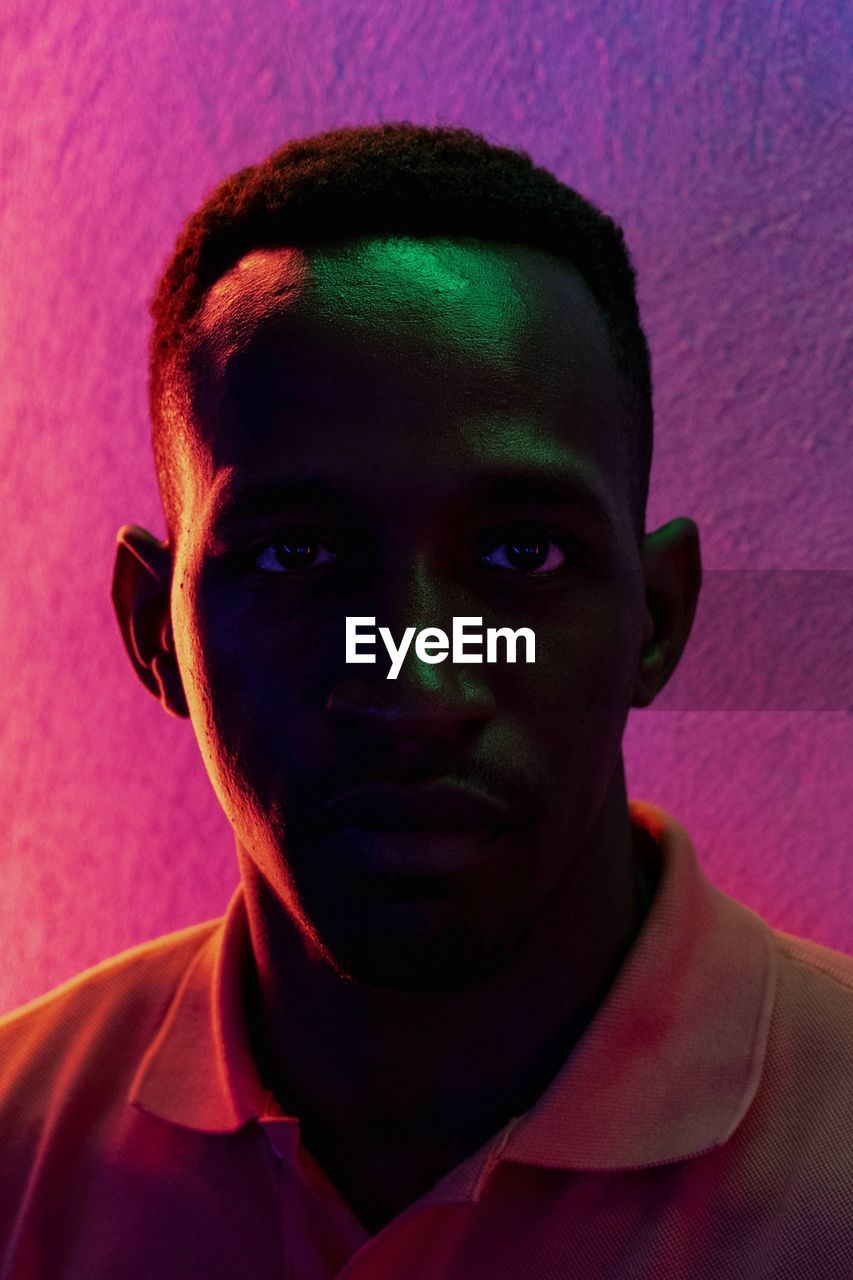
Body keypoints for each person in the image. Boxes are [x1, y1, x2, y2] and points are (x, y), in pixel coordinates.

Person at [0, 122, 850, 1280]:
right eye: (298, 556)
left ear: (655, 618)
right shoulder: (17, 1145)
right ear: (155, 631)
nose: (412, 680)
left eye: (520, 556)